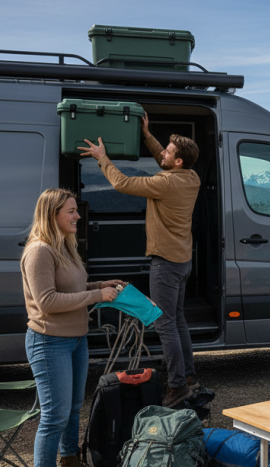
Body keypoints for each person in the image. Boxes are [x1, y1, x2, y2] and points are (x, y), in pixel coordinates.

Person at [79, 113, 203, 407]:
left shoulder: (165, 183)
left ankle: (176, 385)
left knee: (164, 324)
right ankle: (187, 376)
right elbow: (164, 158)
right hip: (183, 261)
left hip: (166, 264)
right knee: (179, 321)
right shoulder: (191, 177)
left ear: (178, 163)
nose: (164, 153)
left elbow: (121, 183)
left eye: (169, 152)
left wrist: (102, 158)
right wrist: (147, 135)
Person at [21, 188, 123, 467]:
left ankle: (69, 464)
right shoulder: (39, 251)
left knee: (72, 407)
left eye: (76, 210)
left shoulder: (64, 246)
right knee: (53, 415)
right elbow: (48, 300)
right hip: (49, 342)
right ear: (52, 214)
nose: (78, 216)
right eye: (71, 211)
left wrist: (101, 284)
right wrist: (96, 294)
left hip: (75, 339)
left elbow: (71, 288)